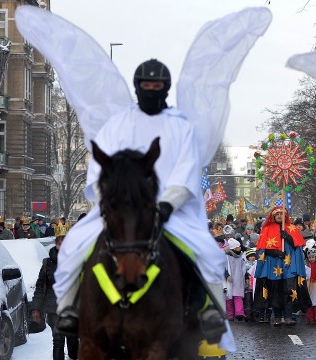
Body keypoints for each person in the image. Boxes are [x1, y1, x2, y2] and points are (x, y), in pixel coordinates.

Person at [53, 59, 230, 348]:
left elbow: (186, 169)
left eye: (156, 86)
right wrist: (111, 201)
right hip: (120, 208)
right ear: (138, 88)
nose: (151, 90)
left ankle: (211, 311)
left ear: (165, 88)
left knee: (207, 252)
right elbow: (100, 170)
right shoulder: (118, 124)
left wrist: (167, 205)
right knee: (74, 245)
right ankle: (69, 308)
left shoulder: (180, 127)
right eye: (146, 85)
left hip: (167, 210)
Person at [253, 206, 310, 327]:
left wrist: (288, 238)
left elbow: (298, 247)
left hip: (288, 266)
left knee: (289, 290)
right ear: (273, 216)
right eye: (277, 214)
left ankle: (288, 316)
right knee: (275, 291)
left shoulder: (292, 228)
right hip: (273, 266)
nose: (279, 216)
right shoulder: (267, 229)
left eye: (281, 214)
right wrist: (275, 253)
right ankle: (278, 316)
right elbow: (262, 250)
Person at [32, 226, 79, 360]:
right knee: (58, 342)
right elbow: (40, 287)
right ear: (56, 243)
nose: (62, 243)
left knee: (73, 340)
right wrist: (36, 308)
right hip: (54, 309)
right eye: (59, 240)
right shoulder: (47, 264)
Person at [224, 238, 246, 321]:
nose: (239, 248)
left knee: (238, 296)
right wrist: (227, 276)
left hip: (238, 280)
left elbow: (243, 268)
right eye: (238, 247)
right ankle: (230, 315)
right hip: (229, 280)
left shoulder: (240, 257)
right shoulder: (226, 257)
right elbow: (223, 267)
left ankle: (239, 313)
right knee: (229, 298)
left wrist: (245, 277)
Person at [304, 248, 316, 325]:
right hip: (309, 285)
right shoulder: (306, 267)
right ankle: (310, 318)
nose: (311, 259)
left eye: (313, 257)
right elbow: (304, 275)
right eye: (310, 257)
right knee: (309, 301)